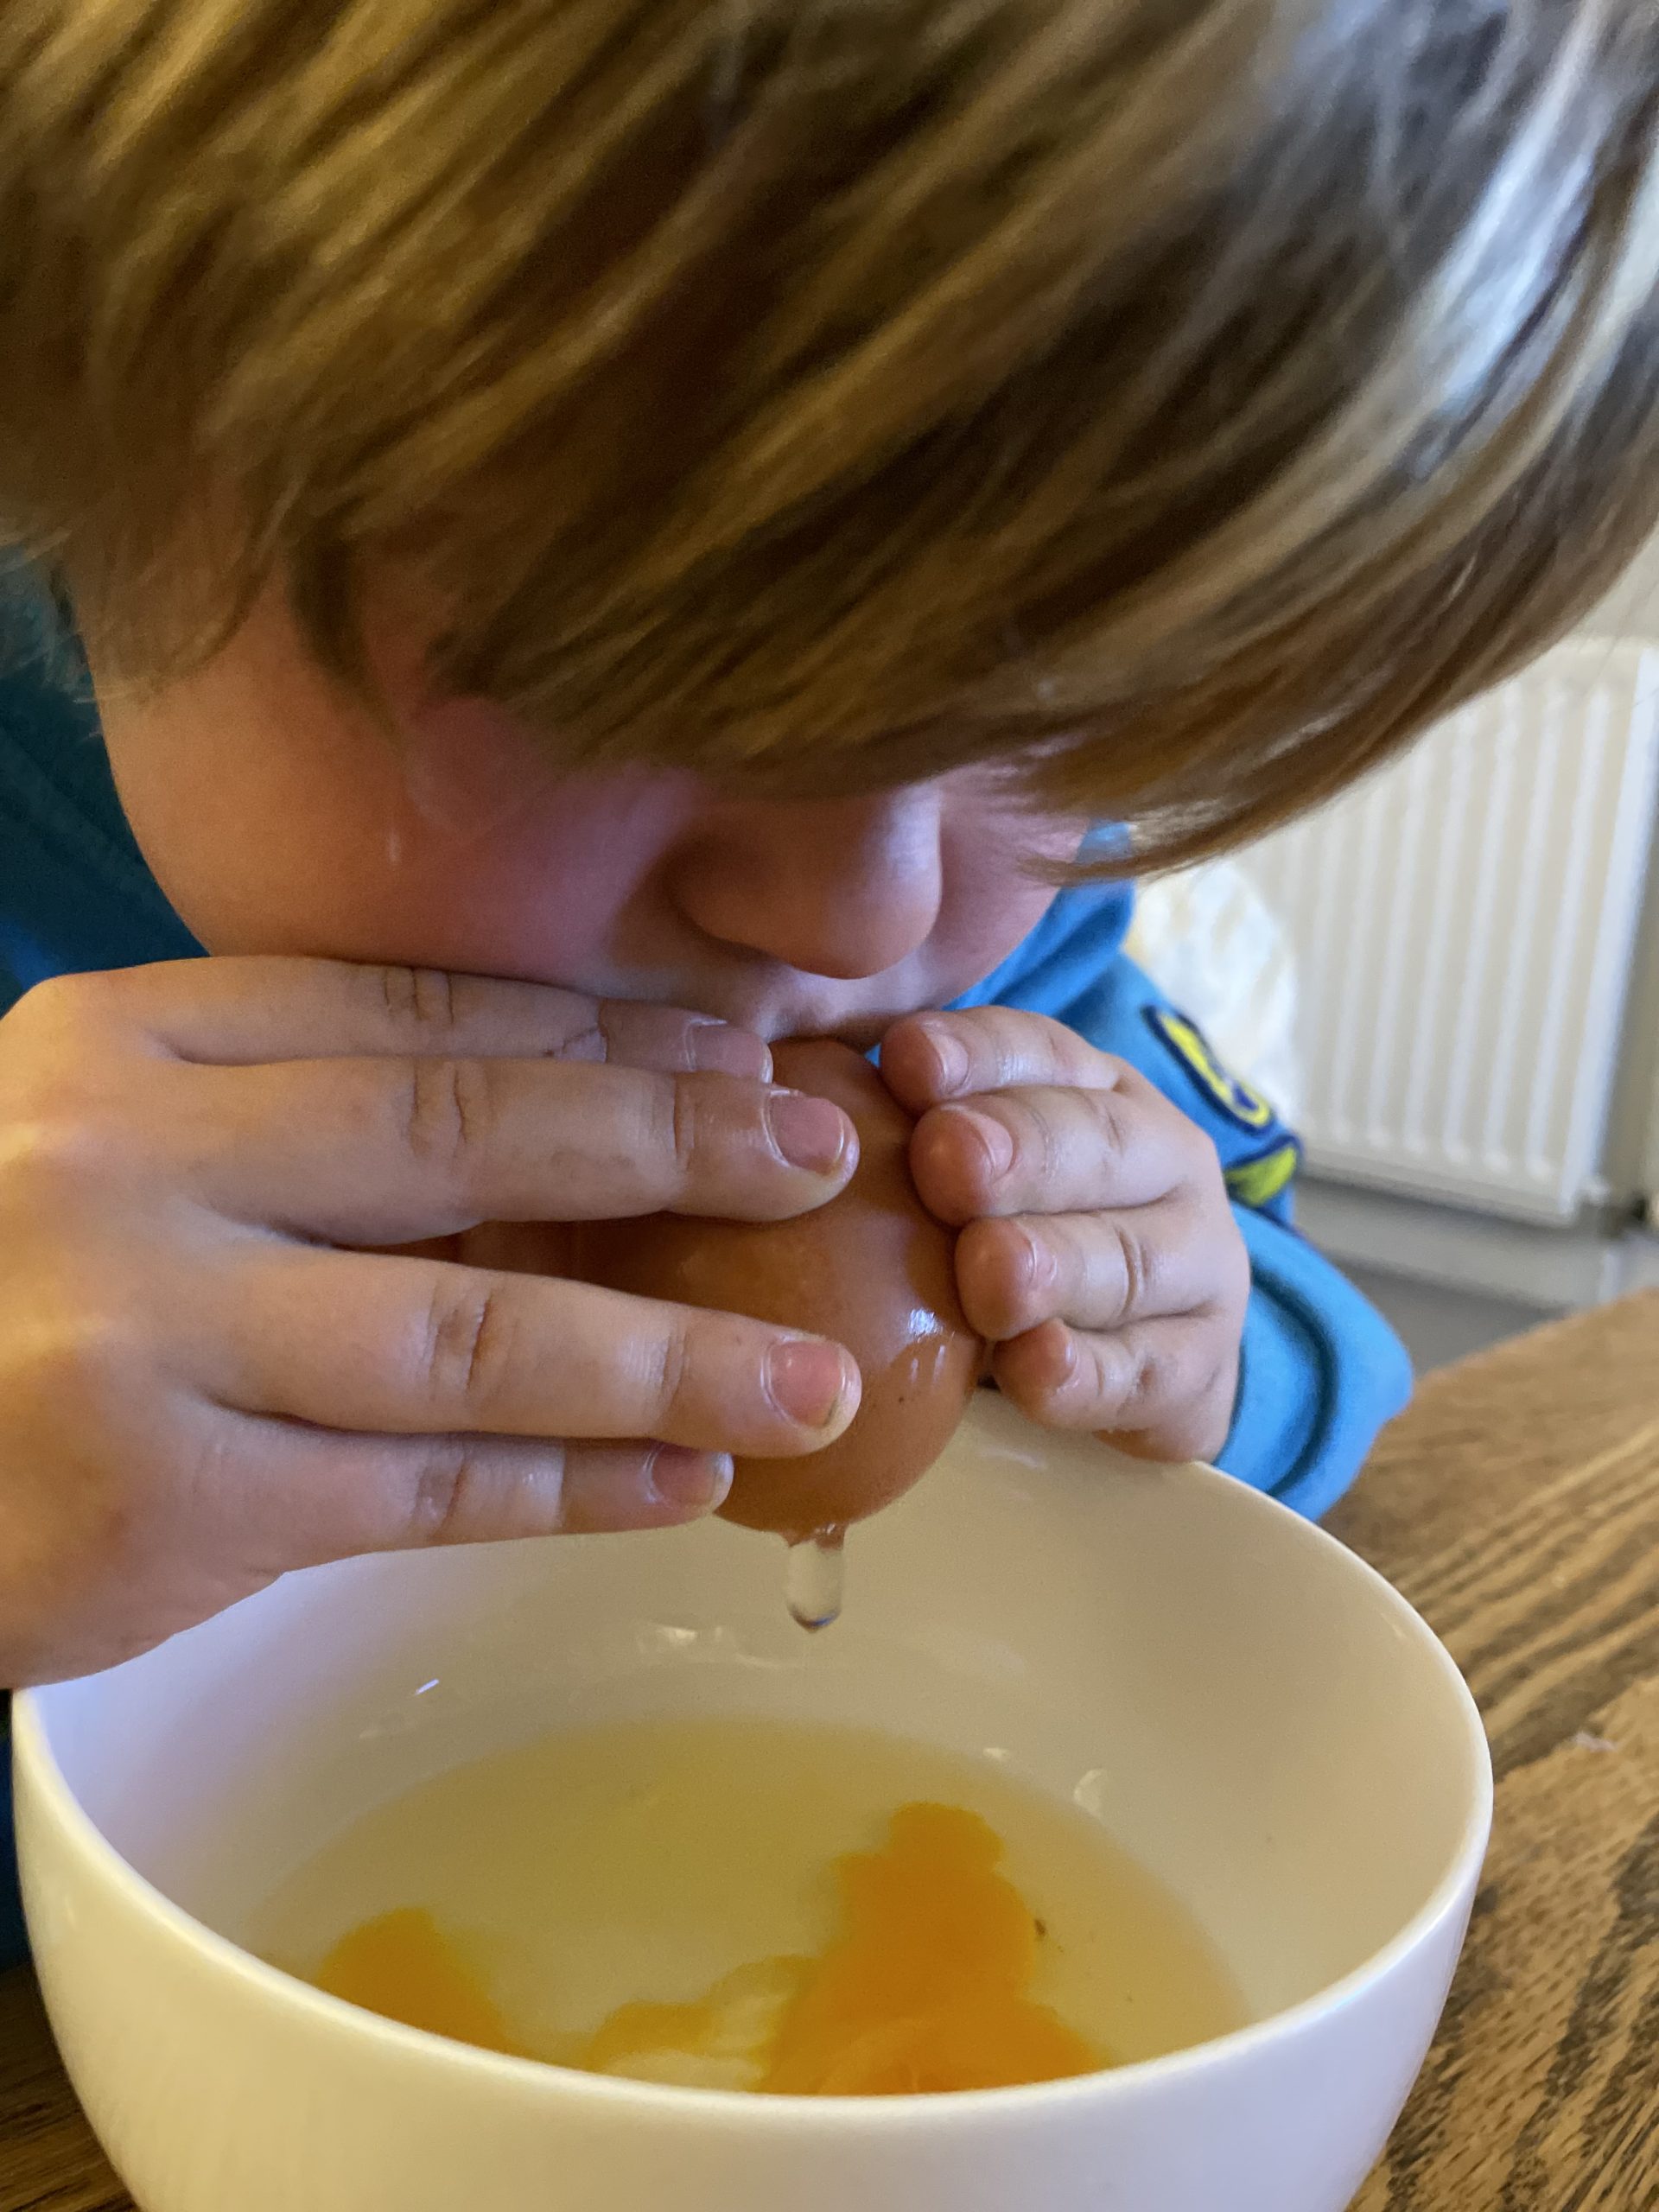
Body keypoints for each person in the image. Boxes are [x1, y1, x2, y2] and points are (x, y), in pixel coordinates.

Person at [0, 0, 1656, 1950]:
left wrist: (1189, 1337)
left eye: (1069, 717)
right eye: (611, 673)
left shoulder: (968, 983)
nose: (867, 915)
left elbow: (1290, 1297)